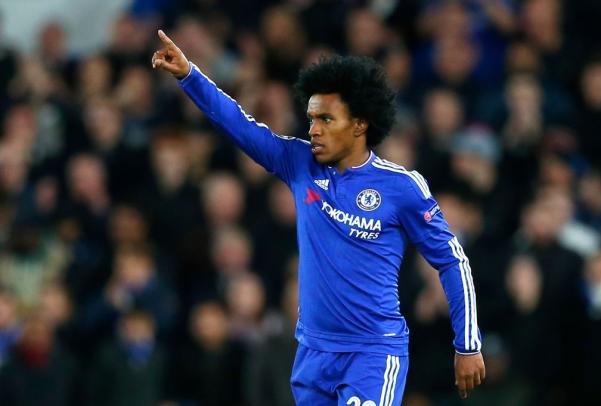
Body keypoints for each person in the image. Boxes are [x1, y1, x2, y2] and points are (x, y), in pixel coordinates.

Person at [152, 29, 485, 405]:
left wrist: (467, 344)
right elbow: (240, 126)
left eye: (326, 119)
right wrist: (189, 76)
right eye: (311, 118)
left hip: (372, 353)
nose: (313, 129)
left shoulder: (402, 187)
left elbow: (452, 260)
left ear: (359, 124)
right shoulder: (299, 164)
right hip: (312, 352)